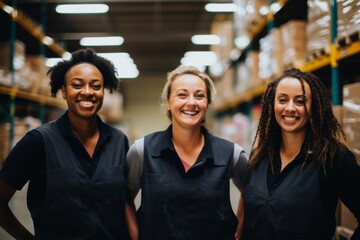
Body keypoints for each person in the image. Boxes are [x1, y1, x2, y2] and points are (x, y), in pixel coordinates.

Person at [0, 48, 132, 240]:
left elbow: (125, 199)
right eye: (77, 85)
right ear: (63, 91)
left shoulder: (119, 140)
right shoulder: (38, 141)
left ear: (104, 91)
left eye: (96, 86)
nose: (87, 92)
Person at [125, 65, 248, 240]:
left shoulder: (231, 153)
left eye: (199, 96)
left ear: (207, 103)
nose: (191, 102)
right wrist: (135, 236)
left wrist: (239, 231)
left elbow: (251, 193)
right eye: (182, 95)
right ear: (168, 102)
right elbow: (124, 198)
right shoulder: (142, 150)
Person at [242, 68, 360, 240]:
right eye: (283, 100)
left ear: (313, 107)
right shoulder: (259, 156)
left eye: (300, 101)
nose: (290, 108)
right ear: (272, 104)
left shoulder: (332, 157)